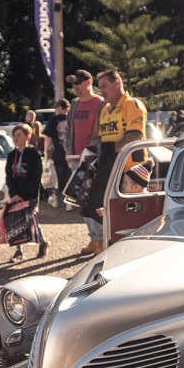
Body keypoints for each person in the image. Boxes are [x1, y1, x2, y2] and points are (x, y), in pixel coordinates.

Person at [85, 68, 146, 257]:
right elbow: (101, 138)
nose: (101, 91)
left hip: (129, 168)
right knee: (100, 205)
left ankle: (131, 252)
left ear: (117, 83)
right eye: (100, 87)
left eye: (104, 86)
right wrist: (90, 149)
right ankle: (106, 244)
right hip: (108, 165)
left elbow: (134, 135)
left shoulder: (132, 104)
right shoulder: (105, 109)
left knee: (127, 213)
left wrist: (110, 149)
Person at [63, 70, 105, 251]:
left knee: (95, 200)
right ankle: (94, 238)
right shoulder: (74, 104)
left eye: (78, 82)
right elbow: (67, 129)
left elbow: (103, 132)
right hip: (76, 160)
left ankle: (102, 239)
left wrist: (90, 148)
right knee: (82, 200)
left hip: (94, 159)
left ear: (89, 82)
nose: (75, 87)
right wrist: (67, 149)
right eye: (73, 83)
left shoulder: (101, 103)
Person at [6, 124, 48, 261]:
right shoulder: (11, 155)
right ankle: (19, 251)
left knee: (31, 221)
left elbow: (35, 177)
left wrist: (24, 194)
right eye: (14, 135)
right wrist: (14, 193)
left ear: (27, 137)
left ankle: (42, 242)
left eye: (19, 135)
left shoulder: (33, 154)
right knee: (16, 223)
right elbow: (8, 176)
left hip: (29, 194)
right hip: (15, 195)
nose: (15, 138)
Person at [41, 99, 70, 209]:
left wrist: (46, 152)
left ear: (60, 107)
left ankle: (56, 200)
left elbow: (48, 137)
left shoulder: (53, 119)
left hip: (57, 152)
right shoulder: (71, 118)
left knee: (55, 178)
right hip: (70, 152)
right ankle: (69, 203)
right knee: (69, 177)